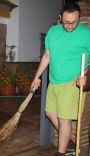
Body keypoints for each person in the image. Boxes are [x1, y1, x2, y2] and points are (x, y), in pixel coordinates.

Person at [31, 3, 90, 156]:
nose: (70, 26)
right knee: (50, 113)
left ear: (79, 18)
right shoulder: (52, 32)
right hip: (54, 81)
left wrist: (87, 74)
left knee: (64, 120)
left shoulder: (86, 34)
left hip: (73, 83)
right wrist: (37, 77)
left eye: (74, 22)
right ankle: (68, 141)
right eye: (66, 22)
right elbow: (47, 56)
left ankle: (61, 152)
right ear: (60, 18)